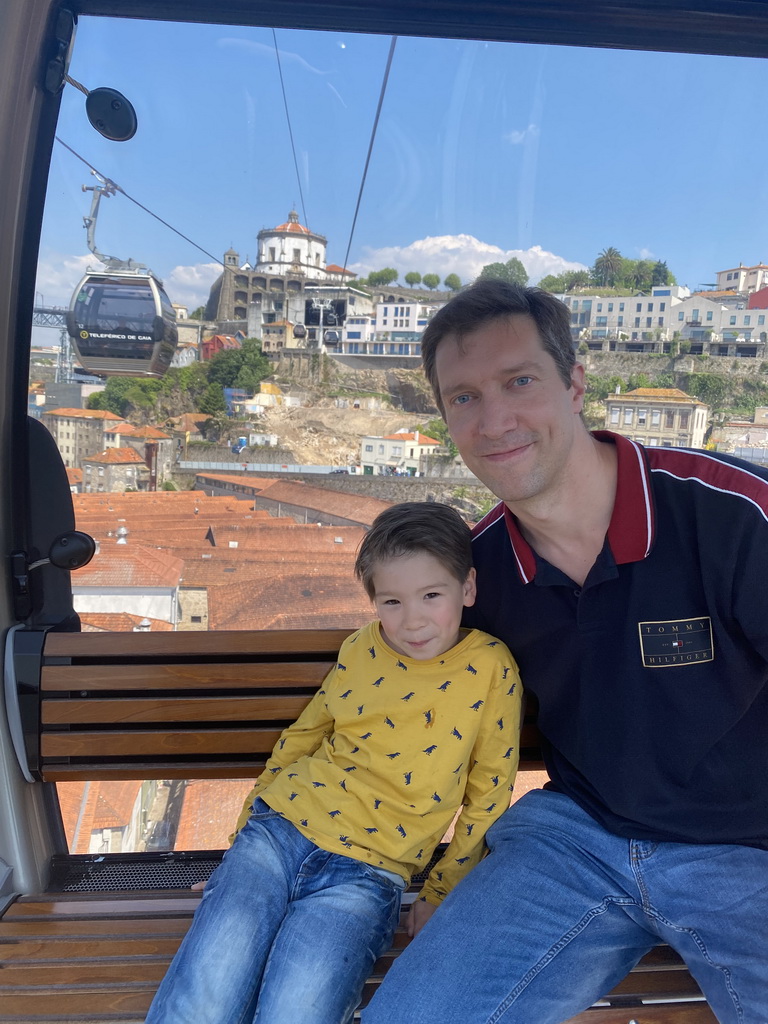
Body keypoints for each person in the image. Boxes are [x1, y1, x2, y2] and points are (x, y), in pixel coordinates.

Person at [362, 280, 768, 1024]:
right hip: (574, 842)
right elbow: (385, 721)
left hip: (748, 853)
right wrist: (277, 857)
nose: (495, 420)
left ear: (575, 383)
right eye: (464, 398)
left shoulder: (730, 514)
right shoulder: (477, 577)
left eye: (520, 381)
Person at [146, 501, 522, 1024]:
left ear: (468, 589)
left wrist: (441, 891)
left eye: (431, 596)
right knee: (204, 996)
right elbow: (302, 738)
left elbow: (488, 794)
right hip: (276, 837)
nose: (412, 620)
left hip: (369, 872)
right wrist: (243, 836)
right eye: (391, 601)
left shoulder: (489, 668)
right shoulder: (361, 648)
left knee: (297, 1011)